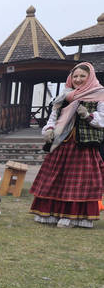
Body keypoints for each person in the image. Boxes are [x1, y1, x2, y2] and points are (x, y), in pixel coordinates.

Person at [31, 62, 104, 228]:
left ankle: (74, 217)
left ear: (90, 77)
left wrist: (87, 115)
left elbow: (103, 119)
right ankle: (50, 214)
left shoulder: (100, 94)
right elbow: (53, 117)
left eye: (82, 76)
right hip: (62, 144)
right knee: (54, 178)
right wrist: (49, 130)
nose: (78, 79)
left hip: (83, 146)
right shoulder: (64, 96)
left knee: (79, 183)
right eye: (75, 76)